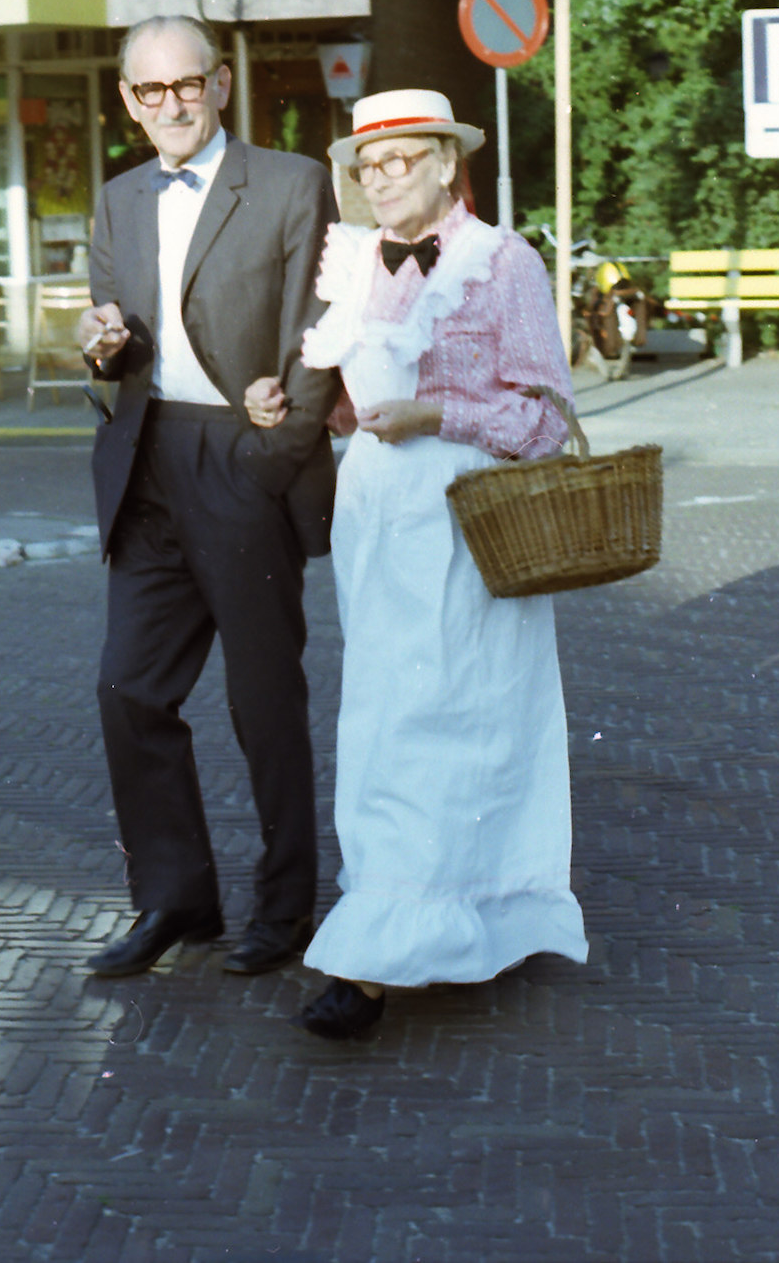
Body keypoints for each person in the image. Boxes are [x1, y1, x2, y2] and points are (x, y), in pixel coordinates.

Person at [247, 88, 589, 1040]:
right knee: (387, 715)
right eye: (370, 164)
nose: (386, 177)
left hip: (471, 513)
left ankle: (394, 953)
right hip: (378, 512)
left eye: (406, 158)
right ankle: (408, 924)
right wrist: (299, 402)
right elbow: (359, 401)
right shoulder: (354, 263)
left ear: (447, 161)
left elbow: (546, 416)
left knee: (465, 713)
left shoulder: (501, 262)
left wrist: (438, 415)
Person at [78, 14, 339, 980]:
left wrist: (274, 460)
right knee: (128, 687)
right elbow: (121, 348)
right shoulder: (115, 201)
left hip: (245, 457)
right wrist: (103, 350)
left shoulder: (288, 181)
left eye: (187, 84)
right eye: (151, 92)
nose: (172, 105)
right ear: (128, 103)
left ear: (220, 84)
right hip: (149, 465)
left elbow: (321, 330)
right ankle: (176, 899)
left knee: (263, 699)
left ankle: (286, 909)